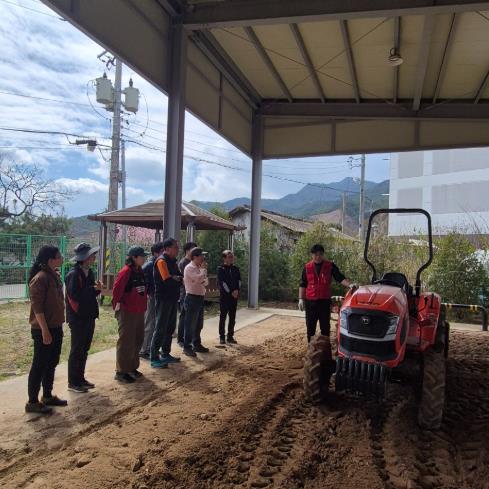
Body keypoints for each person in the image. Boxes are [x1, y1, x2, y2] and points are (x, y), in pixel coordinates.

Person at [26, 245, 67, 414]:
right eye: (59, 256)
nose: (62, 258)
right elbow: (38, 308)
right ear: (51, 260)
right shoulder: (40, 278)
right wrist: (44, 330)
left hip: (55, 326)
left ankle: (47, 395)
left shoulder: (53, 275)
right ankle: (32, 402)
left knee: (51, 362)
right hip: (44, 328)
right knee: (39, 364)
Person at [65, 243, 103, 393]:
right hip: (77, 318)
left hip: (89, 316)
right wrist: (93, 289)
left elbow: (89, 294)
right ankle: (73, 382)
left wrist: (96, 290)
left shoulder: (89, 272)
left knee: (84, 349)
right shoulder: (73, 275)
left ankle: (80, 378)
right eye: (92, 255)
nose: (94, 258)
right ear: (85, 258)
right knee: (77, 349)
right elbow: (75, 296)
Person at [298, 244, 354, 343]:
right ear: (312, 255)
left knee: (325, 327)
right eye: (316, 254)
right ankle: (310, 348)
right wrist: (301, 299)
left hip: (324, 302)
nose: (318, 257)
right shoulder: (307, 267)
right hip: (310, 303)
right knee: (310, 327)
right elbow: (303, 284)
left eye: (320, 254)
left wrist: (350, 285)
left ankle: (325, 349)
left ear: (323, 254)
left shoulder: (330, 266)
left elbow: (340, 278)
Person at [112, 246, 148, 383]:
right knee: (126, 341)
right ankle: (121, 371)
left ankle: (132, 367)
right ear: (134, 257)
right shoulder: (126, 271)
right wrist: (117, 307)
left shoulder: (139, 270)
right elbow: (117, 290)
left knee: (137, 339)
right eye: (142, 256)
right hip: (127, 310)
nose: (144, 258)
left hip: (139, 310)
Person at [151, 238, 182, 368]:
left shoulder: (173, 262)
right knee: (160, 328)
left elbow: (180, 278)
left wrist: (175, 278)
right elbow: (167, 280)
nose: (178, 249)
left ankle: (165, 353)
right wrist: (174, 278)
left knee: (170, 327)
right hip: (163, 299)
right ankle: (154, 357)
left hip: (172, 298)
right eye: (176, 247)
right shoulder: (161, 261)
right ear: (167, 249)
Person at [139, 241, 165, 360]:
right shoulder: (149, 265)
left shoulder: (158, 263)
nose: (164, 253)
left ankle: (150, 347)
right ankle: (144, 349)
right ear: (155, 253)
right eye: (162, 251)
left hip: (157, 296)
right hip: (151, 297)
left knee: (155, 322)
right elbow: (143, 281)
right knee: (149, 322)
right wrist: (148, 293)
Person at [183, 247, 209, 357]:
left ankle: (196, 344)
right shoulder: (190, 268)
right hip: (192, 298)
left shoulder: (199, 268)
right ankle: (187, 347)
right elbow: (199, 279)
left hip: (199, 297)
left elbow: (205, 282)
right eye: (202, 255)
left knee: (199, 323)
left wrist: (202, 276)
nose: (203, 257)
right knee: (190, 324)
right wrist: (203, 272)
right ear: (195, 257)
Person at [217, 250, 241, 345]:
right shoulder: (221, 269)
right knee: (223, 317)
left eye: (232, 257)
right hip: (225, 297)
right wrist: (231, 292)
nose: (231, 258)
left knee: (232, 317)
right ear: (224, 258)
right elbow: (222, 283)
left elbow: (239, 281)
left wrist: (237, 290)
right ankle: (222, 337)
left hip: (234, 297)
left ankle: (230, 336)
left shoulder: (236, 268)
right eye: (229, 257)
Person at [177, 241, 197, 348]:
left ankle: (190, 338)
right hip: (185, 293)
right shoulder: (183, 263)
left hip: (193, 293)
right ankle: (181, 339)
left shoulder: (194, 262)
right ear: (187, 251)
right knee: (184, 316)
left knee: (191, 317)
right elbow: (182, 280)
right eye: (193, 250)